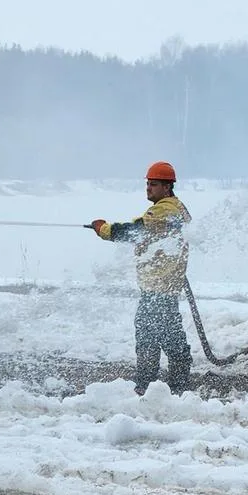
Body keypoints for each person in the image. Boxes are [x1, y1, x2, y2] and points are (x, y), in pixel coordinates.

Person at [90, 160, 193, 394]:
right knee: (168, 332)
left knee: (148, 334)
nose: (148, 188)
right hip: (165, 284)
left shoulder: (163, 210)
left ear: (167, 187)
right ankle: (178, 381)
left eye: (154, 184)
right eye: (148, 184)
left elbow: (133, 230)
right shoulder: (176, 208)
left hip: (158, 287)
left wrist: (103, 229)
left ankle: (147, 383)